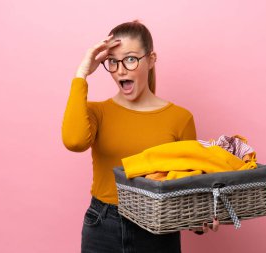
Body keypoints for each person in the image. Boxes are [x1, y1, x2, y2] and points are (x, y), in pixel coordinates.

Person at [61, 20, 197, 253]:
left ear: (151, 60)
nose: (121, 70)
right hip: (103, 225)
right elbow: (74, 141)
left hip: (158, 228)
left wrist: (200, 222)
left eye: (131, 59)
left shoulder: (180, 118)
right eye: (112, 62)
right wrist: (82, 72)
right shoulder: (96, 112)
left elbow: (189, 184)